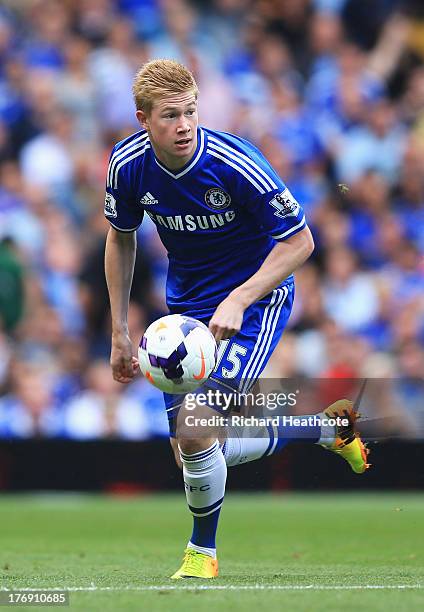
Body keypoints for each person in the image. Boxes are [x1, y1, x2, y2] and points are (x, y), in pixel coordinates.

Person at [104, 59, 370, 580]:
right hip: (185, 314)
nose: (184, 126)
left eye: (190, 113)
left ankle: (201, 554)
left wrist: (241, 298)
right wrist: (118, 330)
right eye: (170, 116)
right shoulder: (127, 166)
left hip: (255, 302)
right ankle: (326, 428)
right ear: (143, 119)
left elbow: (301, 242)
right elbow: (120, 236)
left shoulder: (234, 162)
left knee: (198, 430)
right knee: (194, 452)